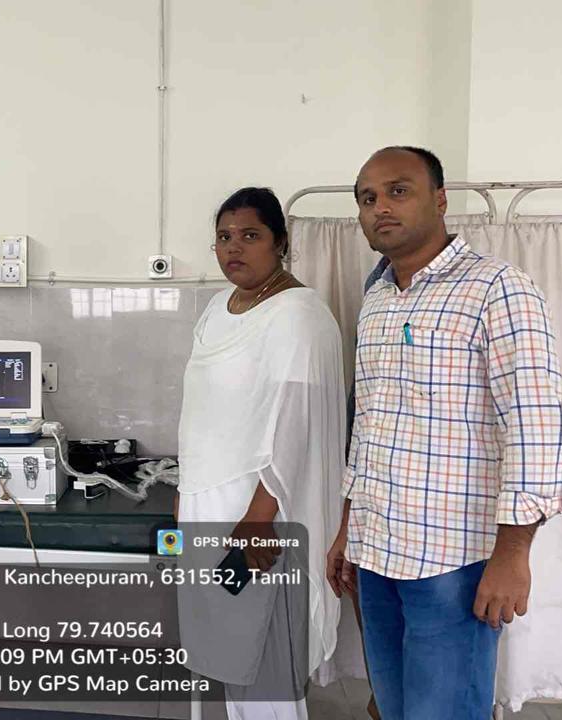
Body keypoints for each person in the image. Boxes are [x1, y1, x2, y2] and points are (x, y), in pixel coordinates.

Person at [326, 146, 562, 719]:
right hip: (378, 553)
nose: (379, 207)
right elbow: (369, 427)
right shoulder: (378, 299)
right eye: (367, 198)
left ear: (440, 200)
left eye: (398, 190)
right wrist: (348, 530)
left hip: (453, 562)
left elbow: (536, 426)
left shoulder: (497, 288)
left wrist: (513, 555)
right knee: (393, 708)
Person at [176, 187, 346, 720]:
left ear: (280, 243)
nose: (234, 247)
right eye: (224, 237)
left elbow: (295, 427)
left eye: (250, 235)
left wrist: (257, 519)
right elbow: (199, 413)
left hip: (262, 514)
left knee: (266, 656)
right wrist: (185, 492)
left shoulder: (299, 315)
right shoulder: (216, 310)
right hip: (210, 505)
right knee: (230, 649)